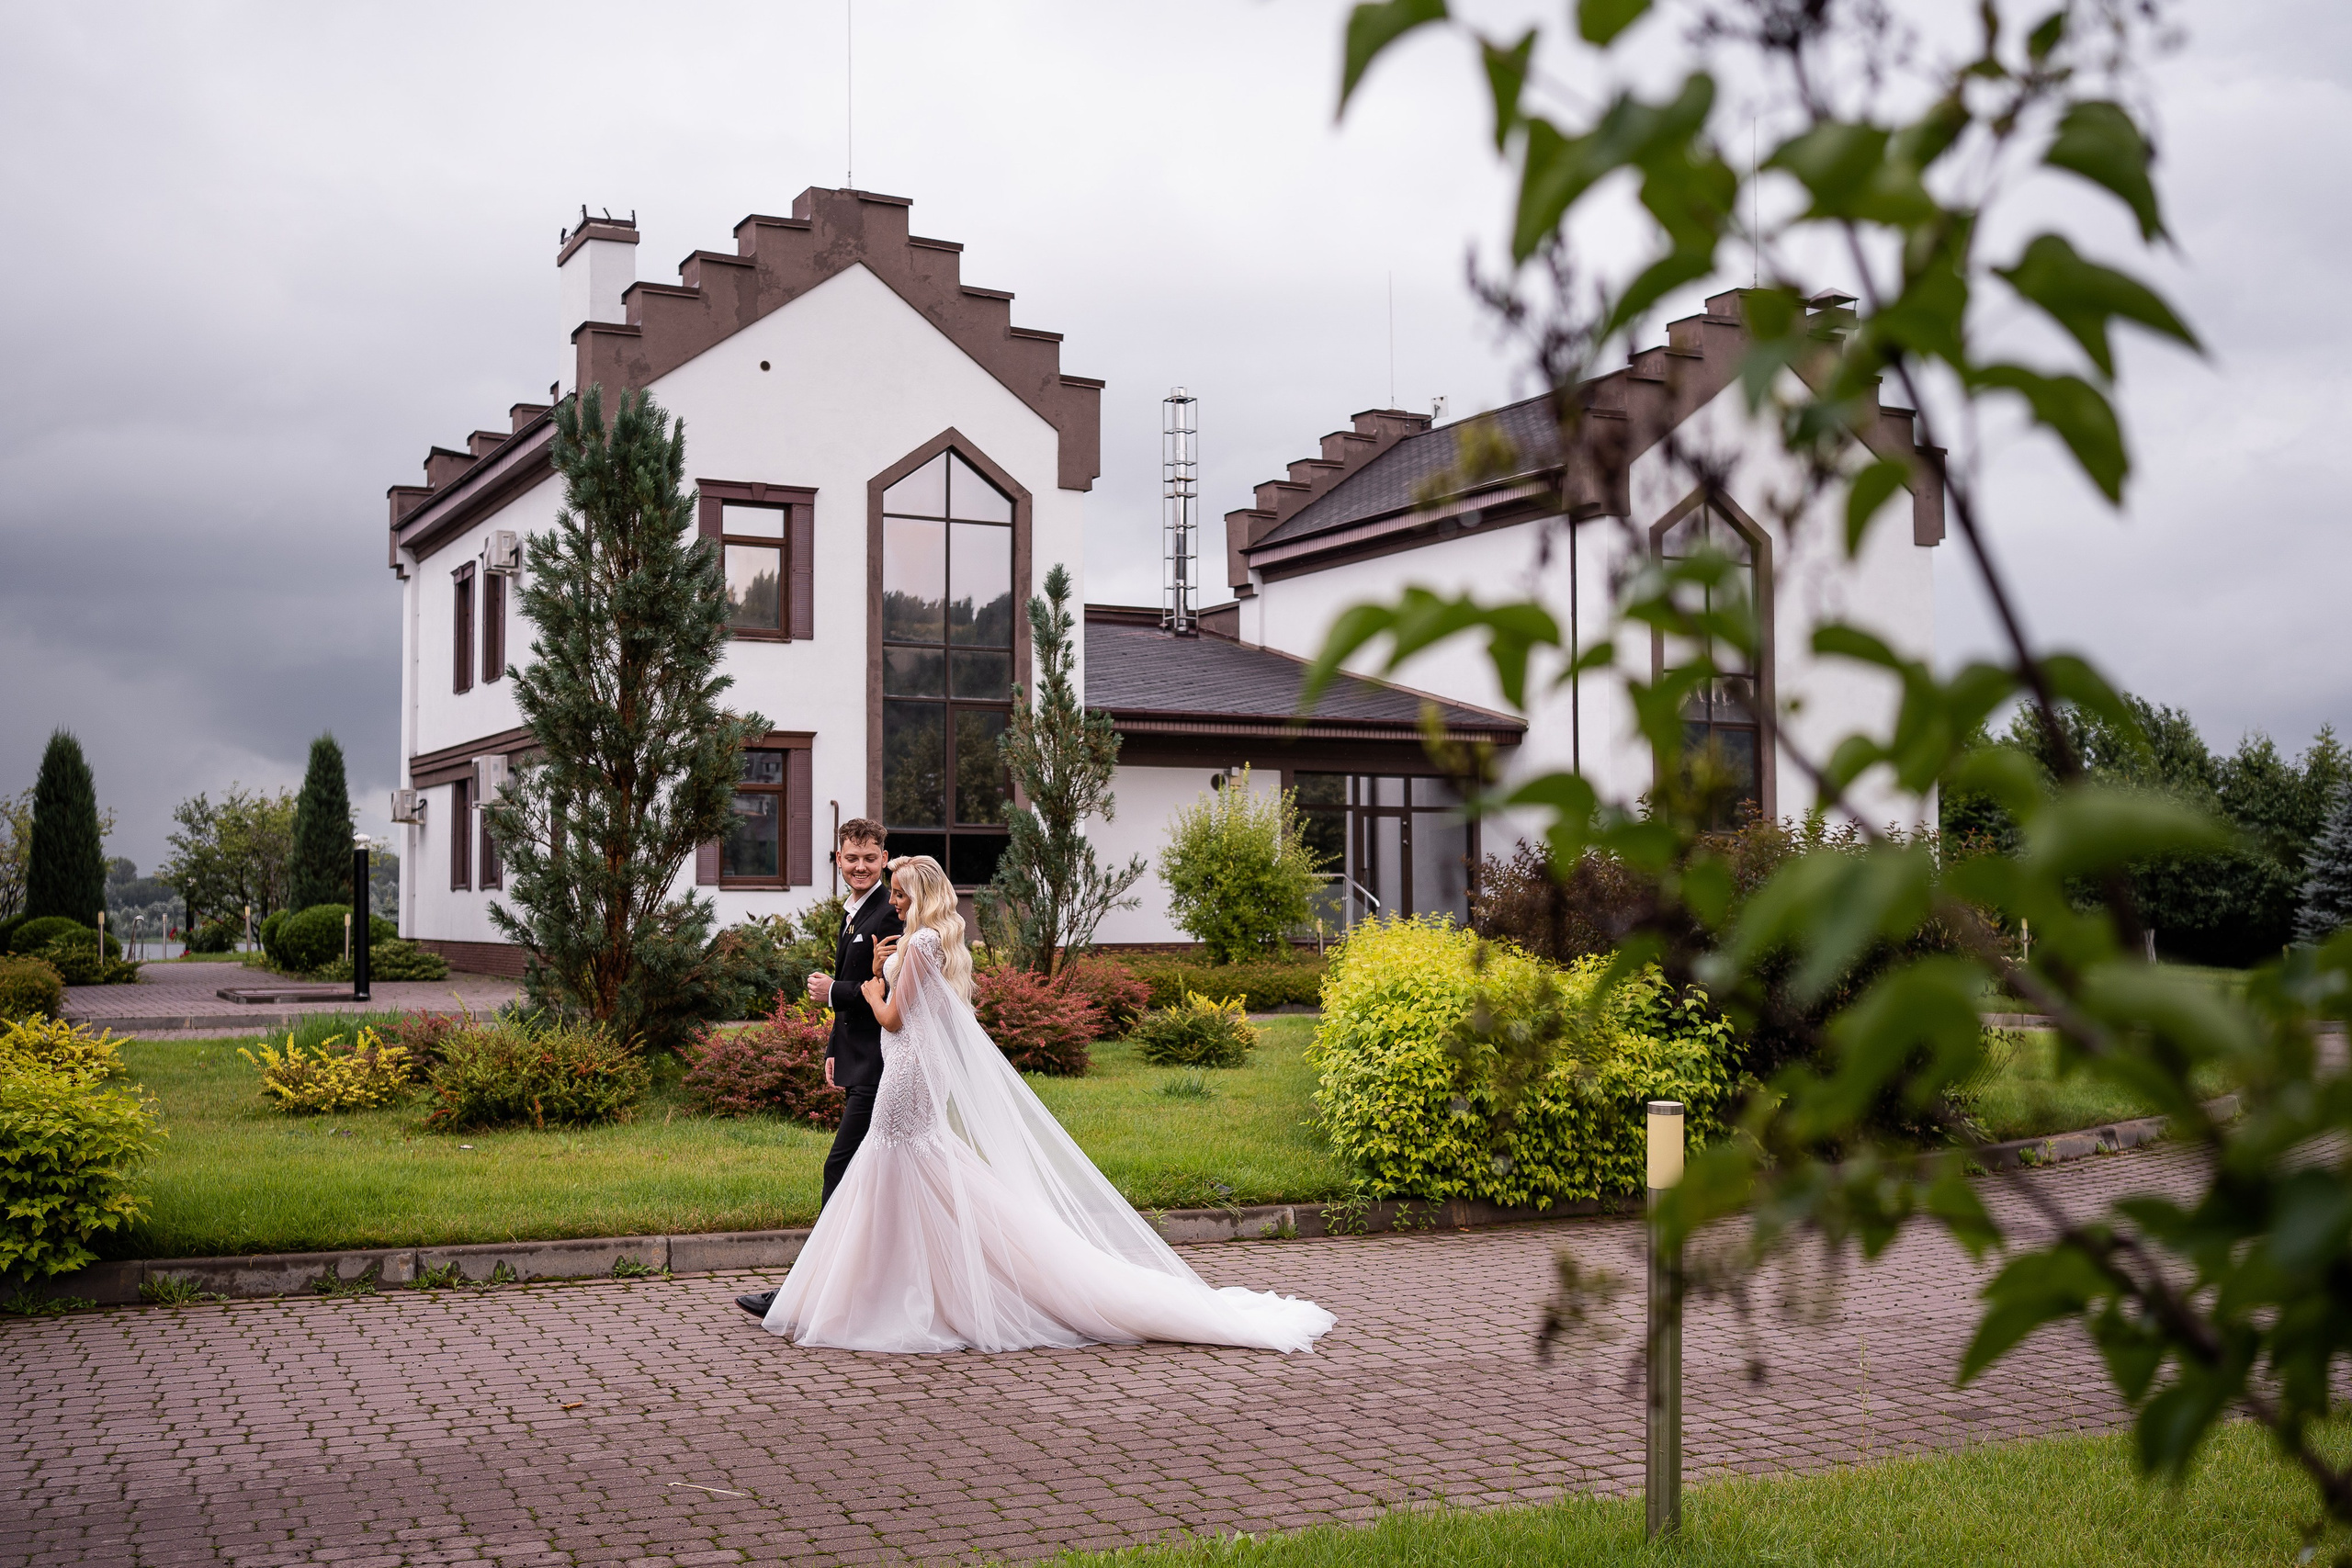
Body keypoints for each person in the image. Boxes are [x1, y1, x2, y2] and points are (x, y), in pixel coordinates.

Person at [746, 854, 1335, 1355]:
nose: (892, 902)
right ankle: (898, 1285)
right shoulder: (929, 942)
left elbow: (895, 1016)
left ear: (918, 894)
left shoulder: (923, 942)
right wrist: (880, 968)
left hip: (908, 1073)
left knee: (899, 1163)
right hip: (911, 1068)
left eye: (899, 893)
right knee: (913, 1172)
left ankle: (894, 1292)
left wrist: (874, 989)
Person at [733, 818, 900, 1321]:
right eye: (851, 858)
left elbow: (891, 992)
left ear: (884, 858)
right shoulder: (853, 913)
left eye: (870, 858)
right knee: (872, 1177)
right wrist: (834, 1045)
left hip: (883, 1064)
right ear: (838, 858)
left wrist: (832, 991)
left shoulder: (890, 913)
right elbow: (855, 991)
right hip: (859, 1058)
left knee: (841, 1169)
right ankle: (850, 1284)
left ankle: (803, 1292)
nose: (860, 867)